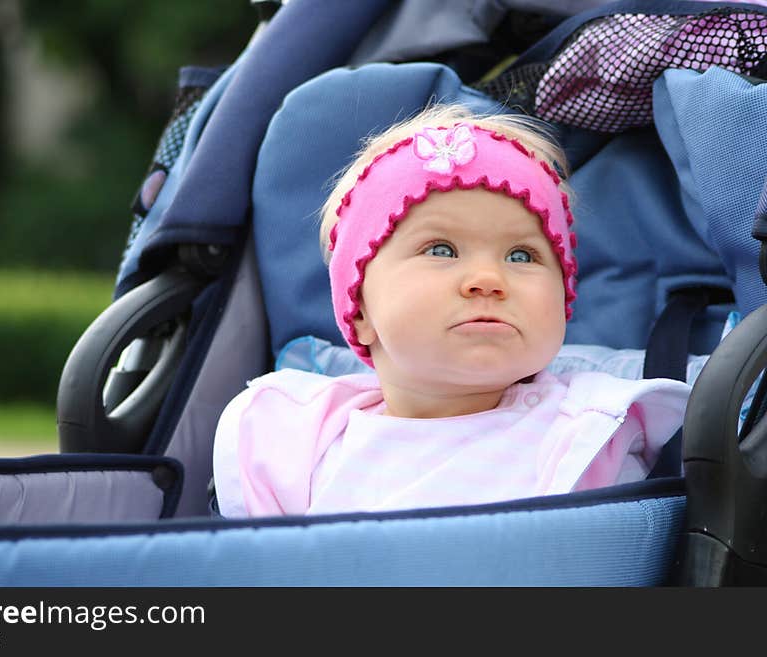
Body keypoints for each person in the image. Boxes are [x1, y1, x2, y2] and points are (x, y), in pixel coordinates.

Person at [212, 104, 691, 518]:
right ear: (359, 309)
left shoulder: (589, 434)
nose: (488, 279)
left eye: (521, 256)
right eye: (441, 249)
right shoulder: (294, 440)